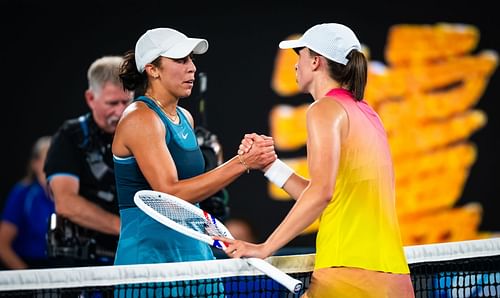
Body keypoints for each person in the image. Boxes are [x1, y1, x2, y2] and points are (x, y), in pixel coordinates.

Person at [216, 23, 415, 297]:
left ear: (315, 61)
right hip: (394, 280)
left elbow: (321, 194)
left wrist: (265, 247)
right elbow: (329, 198)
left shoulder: (323, 109)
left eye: (300, 55)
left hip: (347, 274)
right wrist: (270, 166)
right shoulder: (367, 114)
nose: (295, 65)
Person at [113, 27, 276, 266]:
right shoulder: (140, 118)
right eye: (180, 60)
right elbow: (170, 194)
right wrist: (242, 162)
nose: (192, 67)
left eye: (191, 59)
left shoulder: (185, 117)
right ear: (152, 69)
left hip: (193, 252)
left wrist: (242, 159)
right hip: (149, 260)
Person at [44, 56, 134, 267]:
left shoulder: (143, 131)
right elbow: (66, 203)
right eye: (112, 103)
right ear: (90, 98)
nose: (120, 111)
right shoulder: (70, 136)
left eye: (126, 101)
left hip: (136, 257)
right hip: (87, 263)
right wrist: (127, 229)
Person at [0, 136, 53, 269]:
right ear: (35, 163)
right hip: (29, 268)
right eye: (47, 158)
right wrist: (29, 278)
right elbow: (2, 245)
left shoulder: (73, 194)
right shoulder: (23, 193)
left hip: (62, 269)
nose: (52, 164)